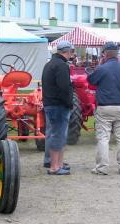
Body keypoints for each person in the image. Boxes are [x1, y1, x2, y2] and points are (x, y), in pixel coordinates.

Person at [87, 42, 120, 175]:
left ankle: (102, 168)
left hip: (104, 107)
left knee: (103, 138)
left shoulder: (102, 69)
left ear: (105, 54)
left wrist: (99, 65)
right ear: (117, 53)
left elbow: (91, 80)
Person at [41, 40, 74, 175]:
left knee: (58, 135)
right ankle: (54, 167)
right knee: (57, 136)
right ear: (67, 51)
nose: (72, 54)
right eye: (71, 51)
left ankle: (58, 164)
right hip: (58, 105)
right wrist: (69, 103)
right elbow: (64, 87)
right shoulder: (61, 66)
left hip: (51, 104)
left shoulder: (49, 64)